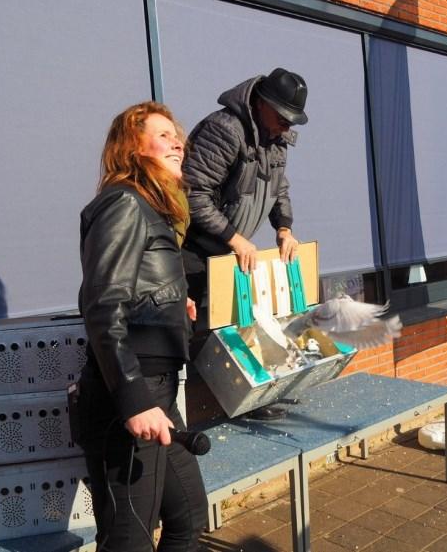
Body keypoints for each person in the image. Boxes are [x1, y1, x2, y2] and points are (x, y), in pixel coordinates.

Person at [76, 102, 207, 552]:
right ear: (133, 147)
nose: (178, 142)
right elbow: (100, 303)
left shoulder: (153, 209)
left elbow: (135, 288)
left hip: (158, 392)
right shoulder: (123, 202)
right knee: (129, 541)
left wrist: (173, 301)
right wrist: (134, 399)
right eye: (164, 134)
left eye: (178, 135)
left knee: (189, 516)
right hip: (129, 400)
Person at [181, 67, 309, 312]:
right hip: (193, 256)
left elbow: (278, 188)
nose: (285, 128)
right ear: (261, 103)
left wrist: (284, 228)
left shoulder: (276, 140)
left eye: (291, 123)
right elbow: (193, 194)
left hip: (227, 254)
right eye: (282, 119)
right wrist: (234, 238)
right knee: (194, 335)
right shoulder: (224, 130)